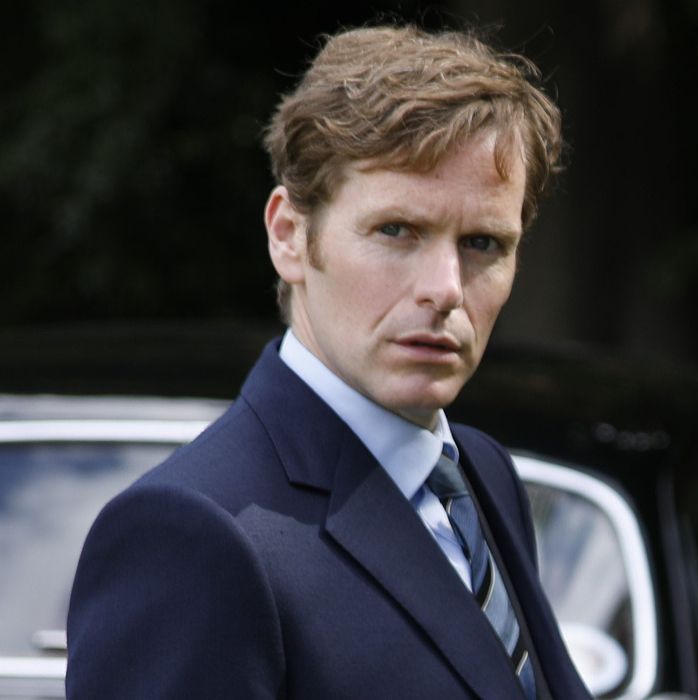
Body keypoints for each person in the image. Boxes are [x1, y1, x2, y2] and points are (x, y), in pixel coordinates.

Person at [66, 25, 590, 699]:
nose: (447, 288)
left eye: (483, 243)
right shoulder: (193, 536)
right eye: (397, 231)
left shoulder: (481, 473)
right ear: (288, 235)